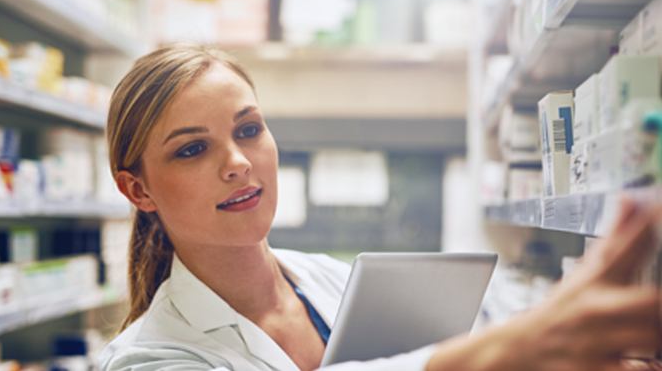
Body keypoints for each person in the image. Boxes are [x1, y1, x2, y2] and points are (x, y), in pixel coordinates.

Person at [98, 43, 662, 371]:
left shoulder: (333, 281)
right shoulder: (147, 357)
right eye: (192, 149)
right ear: (138, 190)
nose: (238, 162)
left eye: (248, 129)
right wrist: (513, 349)